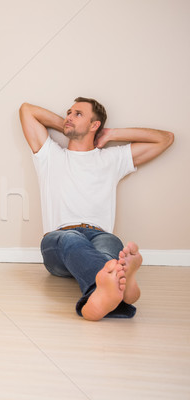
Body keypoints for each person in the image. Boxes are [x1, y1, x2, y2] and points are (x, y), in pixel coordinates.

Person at [19, 97, 174, 321]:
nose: (70, 116)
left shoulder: (112, 159)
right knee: (73, 239)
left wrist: (111, 134)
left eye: (78, 114)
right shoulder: (49, 155)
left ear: (95, 125)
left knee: (112, 246)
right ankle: (119, 289)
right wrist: (67, 125)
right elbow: (27, 110)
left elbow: (165, 139)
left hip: (100, 234)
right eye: (68, 112)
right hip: (59, 239)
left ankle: (105, 294)